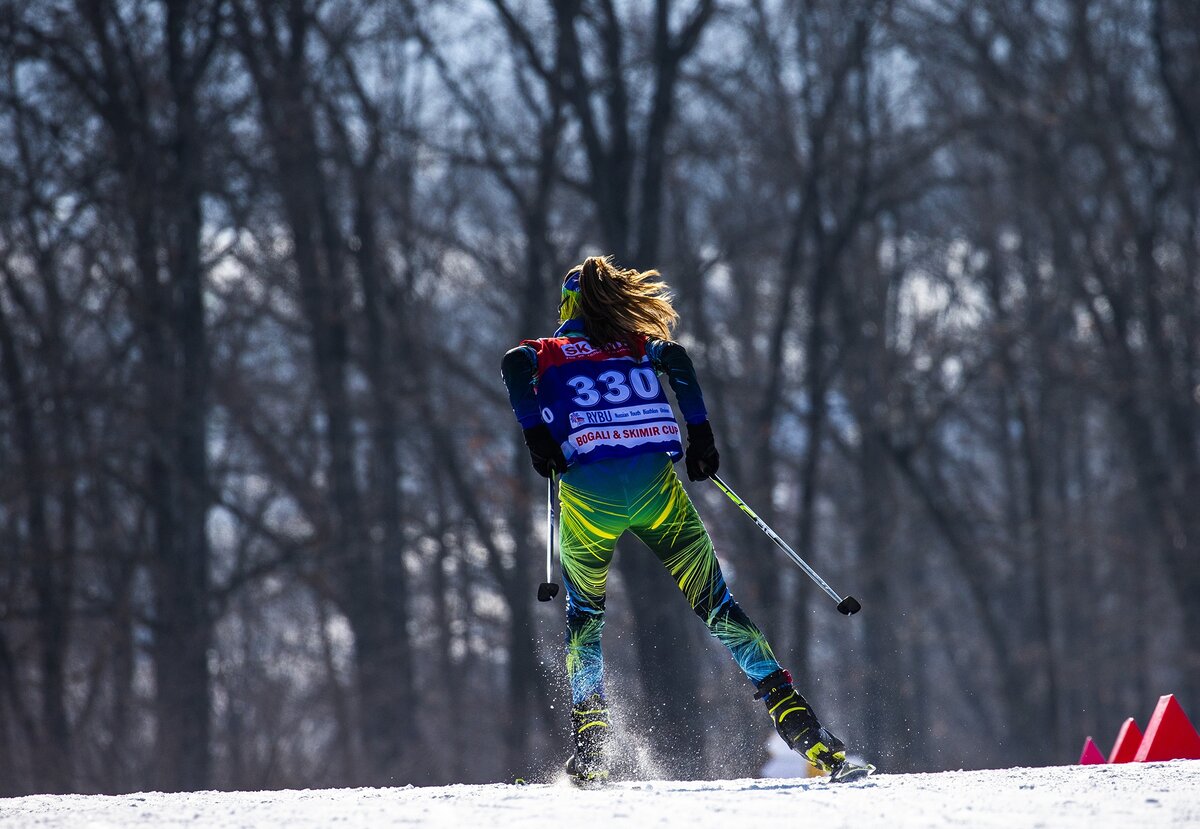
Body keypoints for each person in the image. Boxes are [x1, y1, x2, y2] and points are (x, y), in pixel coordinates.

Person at [501, 255, 863, 785]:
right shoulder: (635, 344)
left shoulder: (548, 351)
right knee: (717, 605)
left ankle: (591, 738)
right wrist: (702, 438)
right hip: (655, 489)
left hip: (589, 498)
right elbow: (676, 358)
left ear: (566, 306)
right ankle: (798, 721)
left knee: (586, 615)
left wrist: (537, 437)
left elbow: (514, 364)